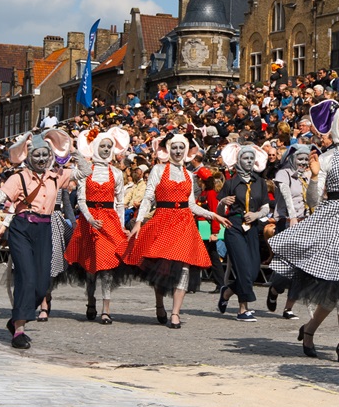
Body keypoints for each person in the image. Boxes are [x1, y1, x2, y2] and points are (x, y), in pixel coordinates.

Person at [270, 102, 339, 364]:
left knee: (338, 288)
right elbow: (314, 201)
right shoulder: (327, 157)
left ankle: (308, 330)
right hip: (332, 219)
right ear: (336, 127)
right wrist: (316, 177)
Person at [125, 134, 229, 330]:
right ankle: (159, 304)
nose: (178, 151)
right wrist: (139, 221)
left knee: (184, 268)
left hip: (183, 223)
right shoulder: (158, 169)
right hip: (163, 220)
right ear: (169, 149)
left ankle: (175, 313)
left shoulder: (189, 175)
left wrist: (213, 215)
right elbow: (148, 197)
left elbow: (190, 205)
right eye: (175, 147)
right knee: (161, 266)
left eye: (182, 147)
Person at [0, 129, 75, 348]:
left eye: (45, 154)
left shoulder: (57, 175)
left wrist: (73, 151)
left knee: (42, 283)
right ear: (29, 156)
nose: (42, 159)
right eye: (37, 155)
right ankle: (19, 330)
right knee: (26, 276)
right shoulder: (19, 178)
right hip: (22, 228)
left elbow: (86, 172)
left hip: (44, 229)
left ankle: (18, 316)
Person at [65, 127, 131, 325]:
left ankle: (106, 308)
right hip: (90, 220)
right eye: (102, 145)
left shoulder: (117, 174)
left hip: (109, 221)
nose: (105, 149)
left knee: (107, 267)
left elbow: (120, 203)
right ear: (95, 147)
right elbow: (82, 200)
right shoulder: (87, 171)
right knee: (91, 267)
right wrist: (90, 219)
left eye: (108, 146)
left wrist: (120, 226)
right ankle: (91, 299)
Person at [217, 143, 271, 322]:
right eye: (245, 158)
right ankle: (243, 309)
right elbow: (218, 210)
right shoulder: (231, 182)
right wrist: (223, 201)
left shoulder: (260, 182)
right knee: (243, 268)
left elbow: (265, 207)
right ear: (238, 160)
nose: (248, 161)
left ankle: (227, 292)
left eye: (251, 158)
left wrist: (256, 214)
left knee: (254, 269)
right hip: (234, 227)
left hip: (252, 227)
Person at [265, 144, 314, 320]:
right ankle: (274, 288)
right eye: (299, 158)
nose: (303, 162)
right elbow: (286, 196)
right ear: (292, 158)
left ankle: (289, 307)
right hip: (286, 222)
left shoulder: (307, 176)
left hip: (304, 223)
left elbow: (313, 198)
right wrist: (292, 217)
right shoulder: (283, 174)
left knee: (300, 268)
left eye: (305, 159)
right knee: (286, 266)